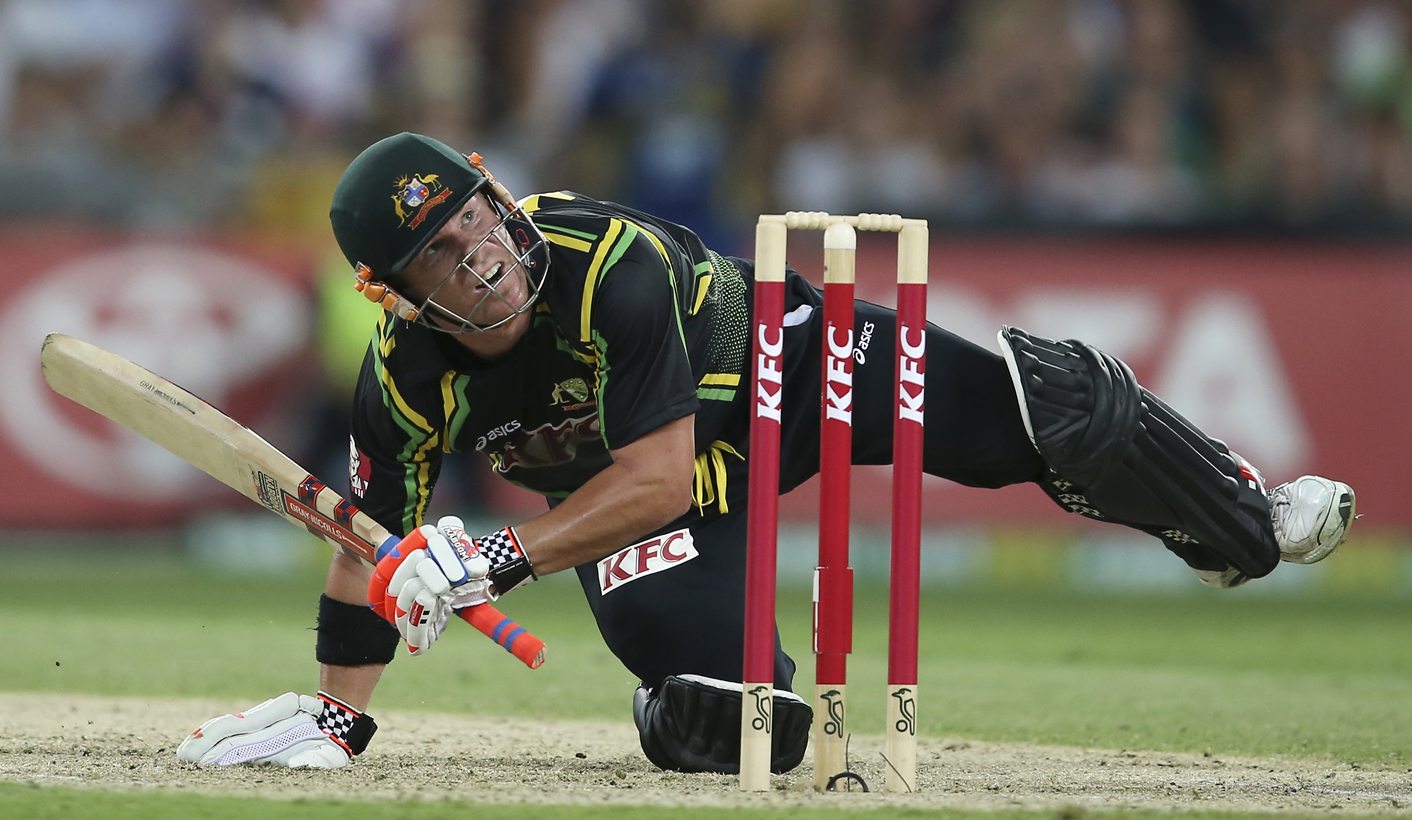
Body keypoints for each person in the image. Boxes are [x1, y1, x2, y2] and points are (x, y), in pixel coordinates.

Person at [175, 132, 1356, 772]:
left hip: (790, 372)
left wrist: (484, 558)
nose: (478, 254)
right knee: (718, 714)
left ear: (494, 193)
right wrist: (342, 713)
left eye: (472, 215)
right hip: (651, 491)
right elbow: (363, 545)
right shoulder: (402, 376)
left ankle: (1240, 512)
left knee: (1049, 416)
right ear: (392, 291)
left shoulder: (608, 266)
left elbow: (652, 468)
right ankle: (700, 695)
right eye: (436, 253)